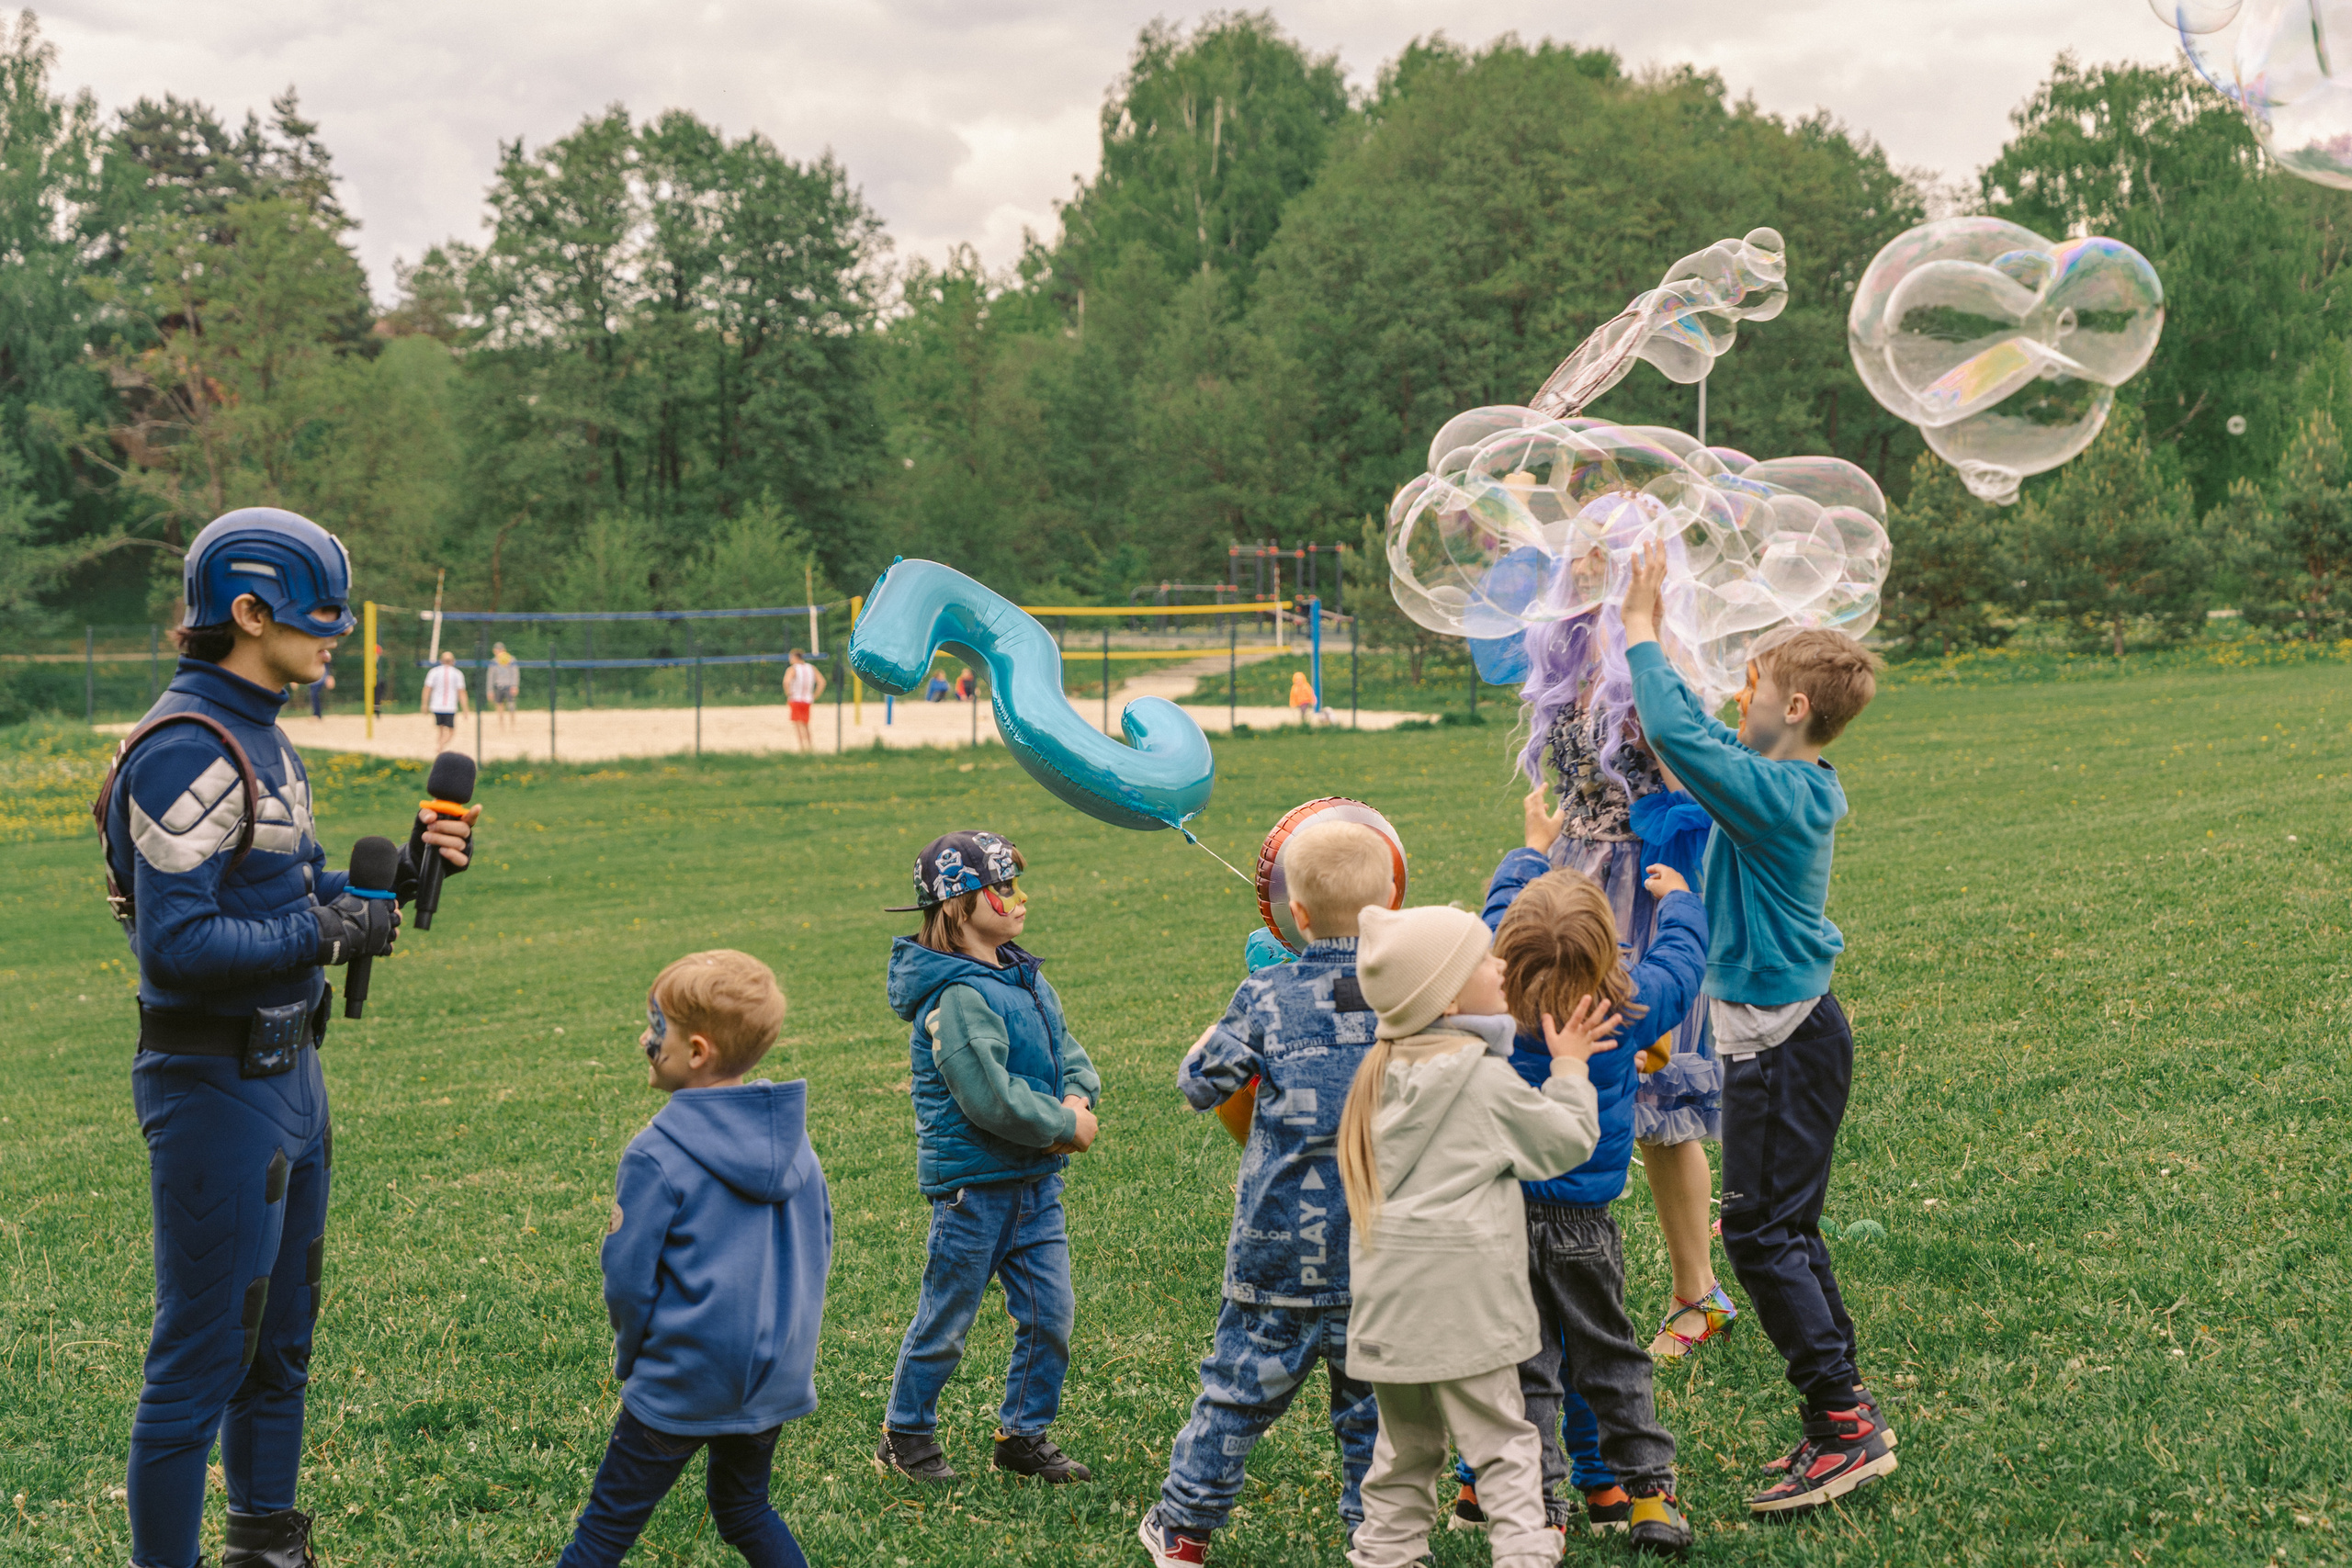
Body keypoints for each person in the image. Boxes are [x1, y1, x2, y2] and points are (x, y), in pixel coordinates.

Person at [98, 507, 478, 1568]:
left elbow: (286, 883)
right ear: (247, 612)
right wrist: (326, 926)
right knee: (200, 1357)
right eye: (319, 616)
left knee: (280, 1346)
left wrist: (391, 880)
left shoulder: (260, 730)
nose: (339, 635)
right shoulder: (187, 748)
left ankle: (267, 1546)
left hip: (287, 1079)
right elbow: (179, 946)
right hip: (215, 1080)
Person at [1621, 545, 1894, 1516]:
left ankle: (1844, 1425)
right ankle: (1845, 1419)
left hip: (1782, 1045)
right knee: (1785, 1229)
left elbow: (1678, 737)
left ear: (1795, 713)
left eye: (1754, 687)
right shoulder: (1780, 778)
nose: (1737, 698)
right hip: (1787, 1036)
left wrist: (1643, 629)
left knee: (1760, 1236)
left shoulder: (1777, 793)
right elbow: (1701, 736)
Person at [1138, 821, 1394, 1566]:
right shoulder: (1407, 991)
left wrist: (1217, 1032)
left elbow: (1199, 1084)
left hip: (1277, 1251)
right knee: (1374, 1410)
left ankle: (1184, 1528)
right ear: (1390, 907)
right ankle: (1379, 1536)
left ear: (1295, 915)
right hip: (1378, 1255)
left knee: (1236, 1394)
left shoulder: (1267, 992)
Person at [1336, 903, 1613, 1568]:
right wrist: (1569, 1069)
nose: (1501, 965)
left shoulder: (1375, 1079)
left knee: (1404, 1455)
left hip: (1388, 1319)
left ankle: (1385, 1555)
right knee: (1504, 1447)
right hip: (1467, 1315)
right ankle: (1523, 1553)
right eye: (1486, 959)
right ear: (1451, 997)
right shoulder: (1480, 1079)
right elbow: (1566, 1141)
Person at [1453, 863, 1707, 1554]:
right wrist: (1680, 901)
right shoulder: (1624, 1005)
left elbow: (1492, 914)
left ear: (1504, 955)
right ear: (1604, 951)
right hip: (1584, 1227)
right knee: (1609, 1357)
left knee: (1524, 1368)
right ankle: (1645, 1493)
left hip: (1499, 1220)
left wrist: (1526, 857)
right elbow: (1681, 963)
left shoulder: (1489, 1002)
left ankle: (1536, 1505)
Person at [556, 951, 828, 1568]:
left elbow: (627, 1280)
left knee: (601, 1537)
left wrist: (632, 1356)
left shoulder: (655, 1154)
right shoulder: (795, 1145)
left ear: (697, 1051)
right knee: (746, 1509)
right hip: (772, 1376)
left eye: (658, 1028)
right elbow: (818, 1248)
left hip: (680, 1379)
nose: (646, 1038)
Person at [1518, 610, 1731, 1365]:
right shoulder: (1568, 655)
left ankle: (1696, 1292)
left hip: (1640, 887)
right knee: (1566, 1071)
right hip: (1572, 881)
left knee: (1657, 1093)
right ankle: (1558, 1268)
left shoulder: (1656, 659)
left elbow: (1694, 796)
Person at [876, 831, 1101, 1485]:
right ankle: (906, 1431)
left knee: (1050, 1313)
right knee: (947, 1318)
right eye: (1001, 887)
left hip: (1036, 1185)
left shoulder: (1024, 976)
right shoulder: (957, 998)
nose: (1018, 897)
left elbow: (1071, 1053)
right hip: (974, 1190)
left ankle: (1023, 1434)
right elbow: (991, 1102)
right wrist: (1066, 1124)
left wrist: (1077, 1095)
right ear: (958, 904)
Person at [420, 648, 469, 754]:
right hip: (450, 706)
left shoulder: (434, 672)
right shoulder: (457, 673)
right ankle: (440, 746)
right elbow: (461, 692)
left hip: (436, 705)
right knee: (451, 731)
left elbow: (427, 689)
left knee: (440, 729)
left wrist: (424, 704)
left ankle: (439, 747)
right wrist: (465, 709)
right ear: (453, 661)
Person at [783, 649, 827, 753]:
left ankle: (802, 747)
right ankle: (810, 746)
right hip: (807, 700)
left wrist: (788, 692)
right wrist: (815, 695)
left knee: (798, 724)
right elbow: (822, 682)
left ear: (794, 657)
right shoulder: (811, 668)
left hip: (796, 699)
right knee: (806, 724)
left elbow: (786, 682)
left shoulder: (792, 669)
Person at [487, 642, 521, 732]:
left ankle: (512, 725)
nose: (498, 652)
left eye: (500, 650)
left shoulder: (511, 659)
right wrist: (490, 690)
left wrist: (515, 686)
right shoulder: (494, 662)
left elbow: (515, 673)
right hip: (499, 686)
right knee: (499, 706)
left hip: (509, 686)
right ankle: (501, 726)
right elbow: (491, 677)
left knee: (511, 706)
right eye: (497, 650)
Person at [305, 649, 333, 723]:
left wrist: (329, 676)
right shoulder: (309, 652)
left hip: (321, 677)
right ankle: (316, 715)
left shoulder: (323, 653)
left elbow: (328, 664)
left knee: (314, 694)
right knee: (313, 695)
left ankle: (317, 715)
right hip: (313, 679)